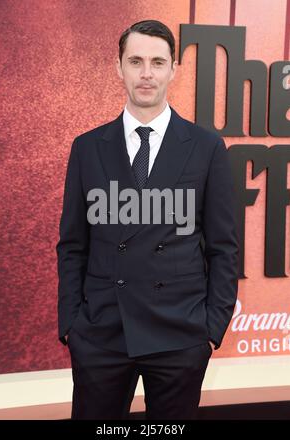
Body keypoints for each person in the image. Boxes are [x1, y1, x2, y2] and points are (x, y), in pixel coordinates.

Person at [56, 19, 239, 420]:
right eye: (135, 60)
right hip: (102, 333)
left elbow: (224, 247)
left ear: (174, 69)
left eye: (157, 62)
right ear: (118, 67)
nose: (146, 73)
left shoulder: (206, 147)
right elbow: (72, 245)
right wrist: (72, 324)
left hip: (179, 333)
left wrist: (210, 329)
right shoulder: (87, 148)